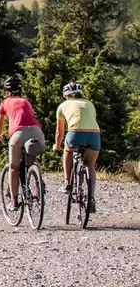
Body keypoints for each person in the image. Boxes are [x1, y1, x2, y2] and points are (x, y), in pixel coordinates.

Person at [0, 74, 45, 208]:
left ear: (6, 91)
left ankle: (14, 201)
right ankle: (40, 184)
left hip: (18, 133)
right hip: (37, 132)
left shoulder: (4, 103)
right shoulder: (26, 101)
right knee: (32, 159)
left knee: (13, 167)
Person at [55, 81, 100, 213]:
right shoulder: (89, 104)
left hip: (75, 133)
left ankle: (67, 183)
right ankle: (91, 197)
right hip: (94, 134)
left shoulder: (63, 106)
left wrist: (56, 146)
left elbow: (59, 132)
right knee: (90, 165)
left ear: (65, 95)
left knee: (67, 151)